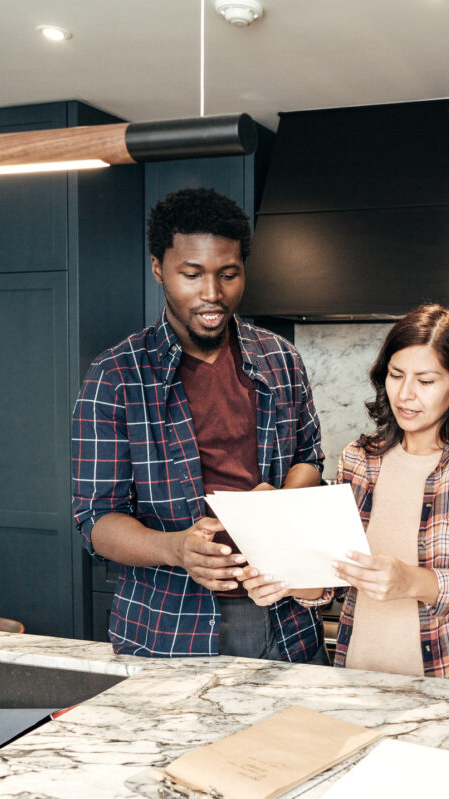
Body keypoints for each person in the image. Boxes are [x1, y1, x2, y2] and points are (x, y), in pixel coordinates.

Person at [71, 187, 327, 662]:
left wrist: (282, 497)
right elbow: (96, 520)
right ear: (158, 269)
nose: (212, 294)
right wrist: (175, 548)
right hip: (168, 626)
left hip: (287, 615)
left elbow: (309, 460)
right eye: (192, 275)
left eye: (228, 275)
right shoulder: (116, 375)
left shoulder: (280, 359)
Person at [243, 304, 449, 682]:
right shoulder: (359, 458)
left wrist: (412, 581)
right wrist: (283, 579)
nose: (405, 394)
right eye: (395, 375)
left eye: (425, 381)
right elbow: (333, 579)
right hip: (359, 675)